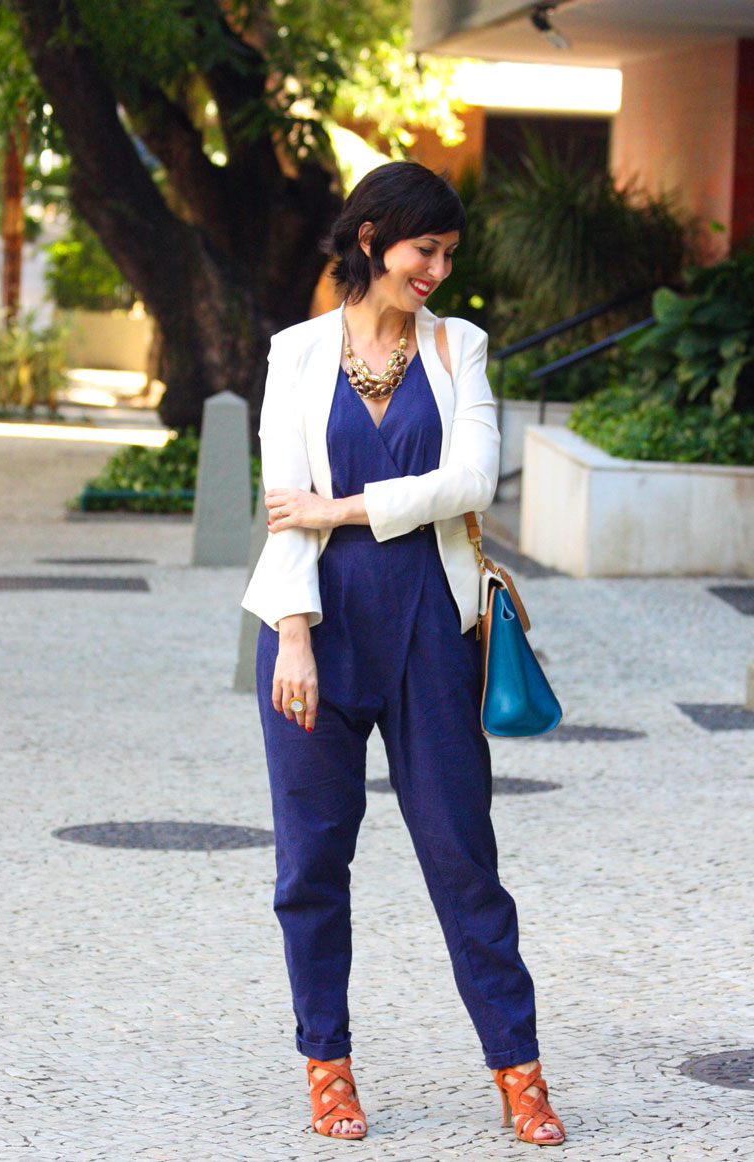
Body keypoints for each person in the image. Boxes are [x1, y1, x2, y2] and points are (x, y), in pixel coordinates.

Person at [241, 161, 565, 1146]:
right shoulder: (296, 353)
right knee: (310, 861)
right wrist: (292, 636)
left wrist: (342, 507)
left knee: (463, 855)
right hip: (318, 629)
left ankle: (518, 1070)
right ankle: (327, 1066)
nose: (438, 271)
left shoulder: (457, 346)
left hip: (432, 629)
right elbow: (280, 506)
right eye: (427, 250)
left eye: (448, 255)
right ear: (372, 238)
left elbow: (472, 479)